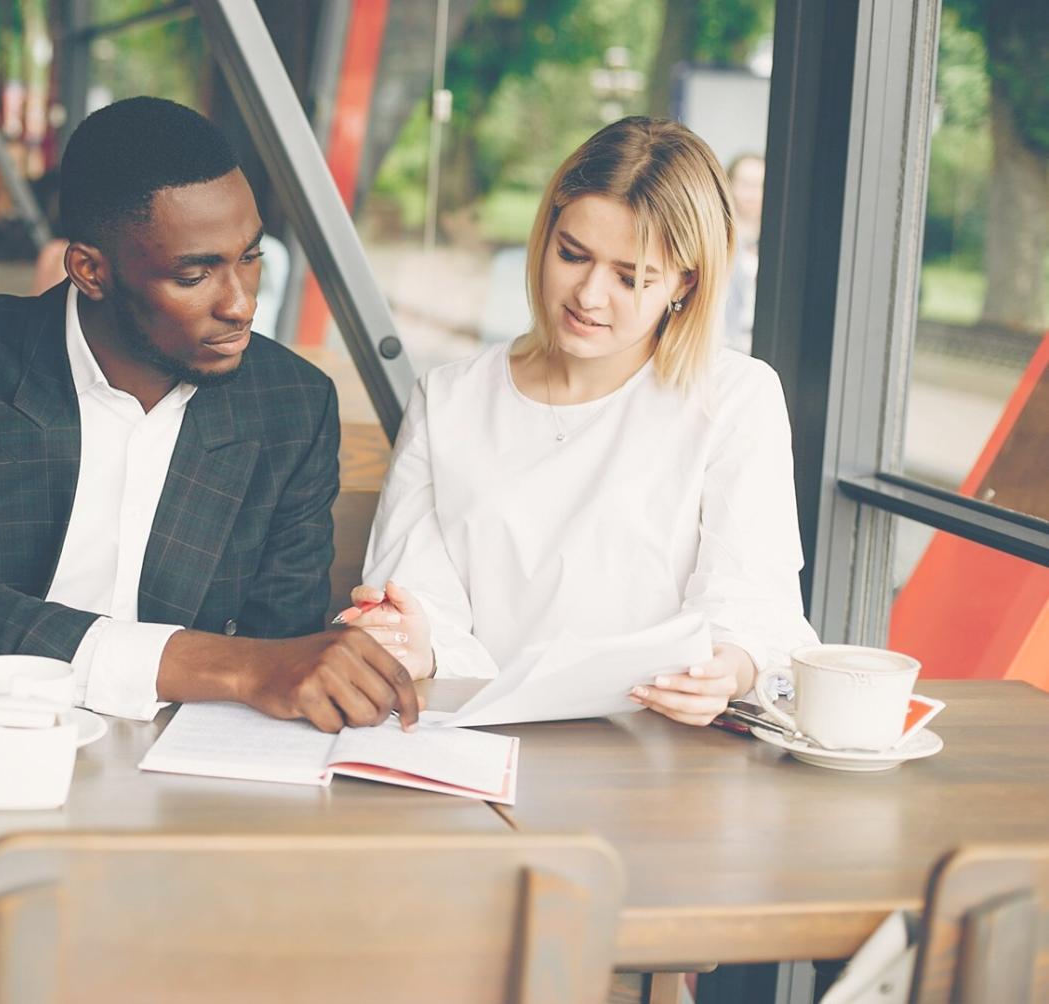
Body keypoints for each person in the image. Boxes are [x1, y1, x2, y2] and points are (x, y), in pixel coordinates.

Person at [0, 96, 418, 733]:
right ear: (90, 270)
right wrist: (236, 667)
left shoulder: (291, 404)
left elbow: (280, 644)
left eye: (250, 258)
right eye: (194, 275)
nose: (240, 305)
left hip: (192, 760)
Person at [341, 118, 816, 727]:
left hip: (659, 743)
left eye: (631, 277)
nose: (589, 295)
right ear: (546, 236)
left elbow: (750, 599)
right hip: (478, 732)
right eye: (572, 255)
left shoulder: (734, 397)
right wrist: (415, 640)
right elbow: (419, 599)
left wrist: (731, 667)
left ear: (686, 281)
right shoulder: (449, 399)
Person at [722, 152, 764, 353]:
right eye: (745, 184)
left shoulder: (779, 243)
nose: (752, 194)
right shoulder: (719, 238)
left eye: (759, 185)